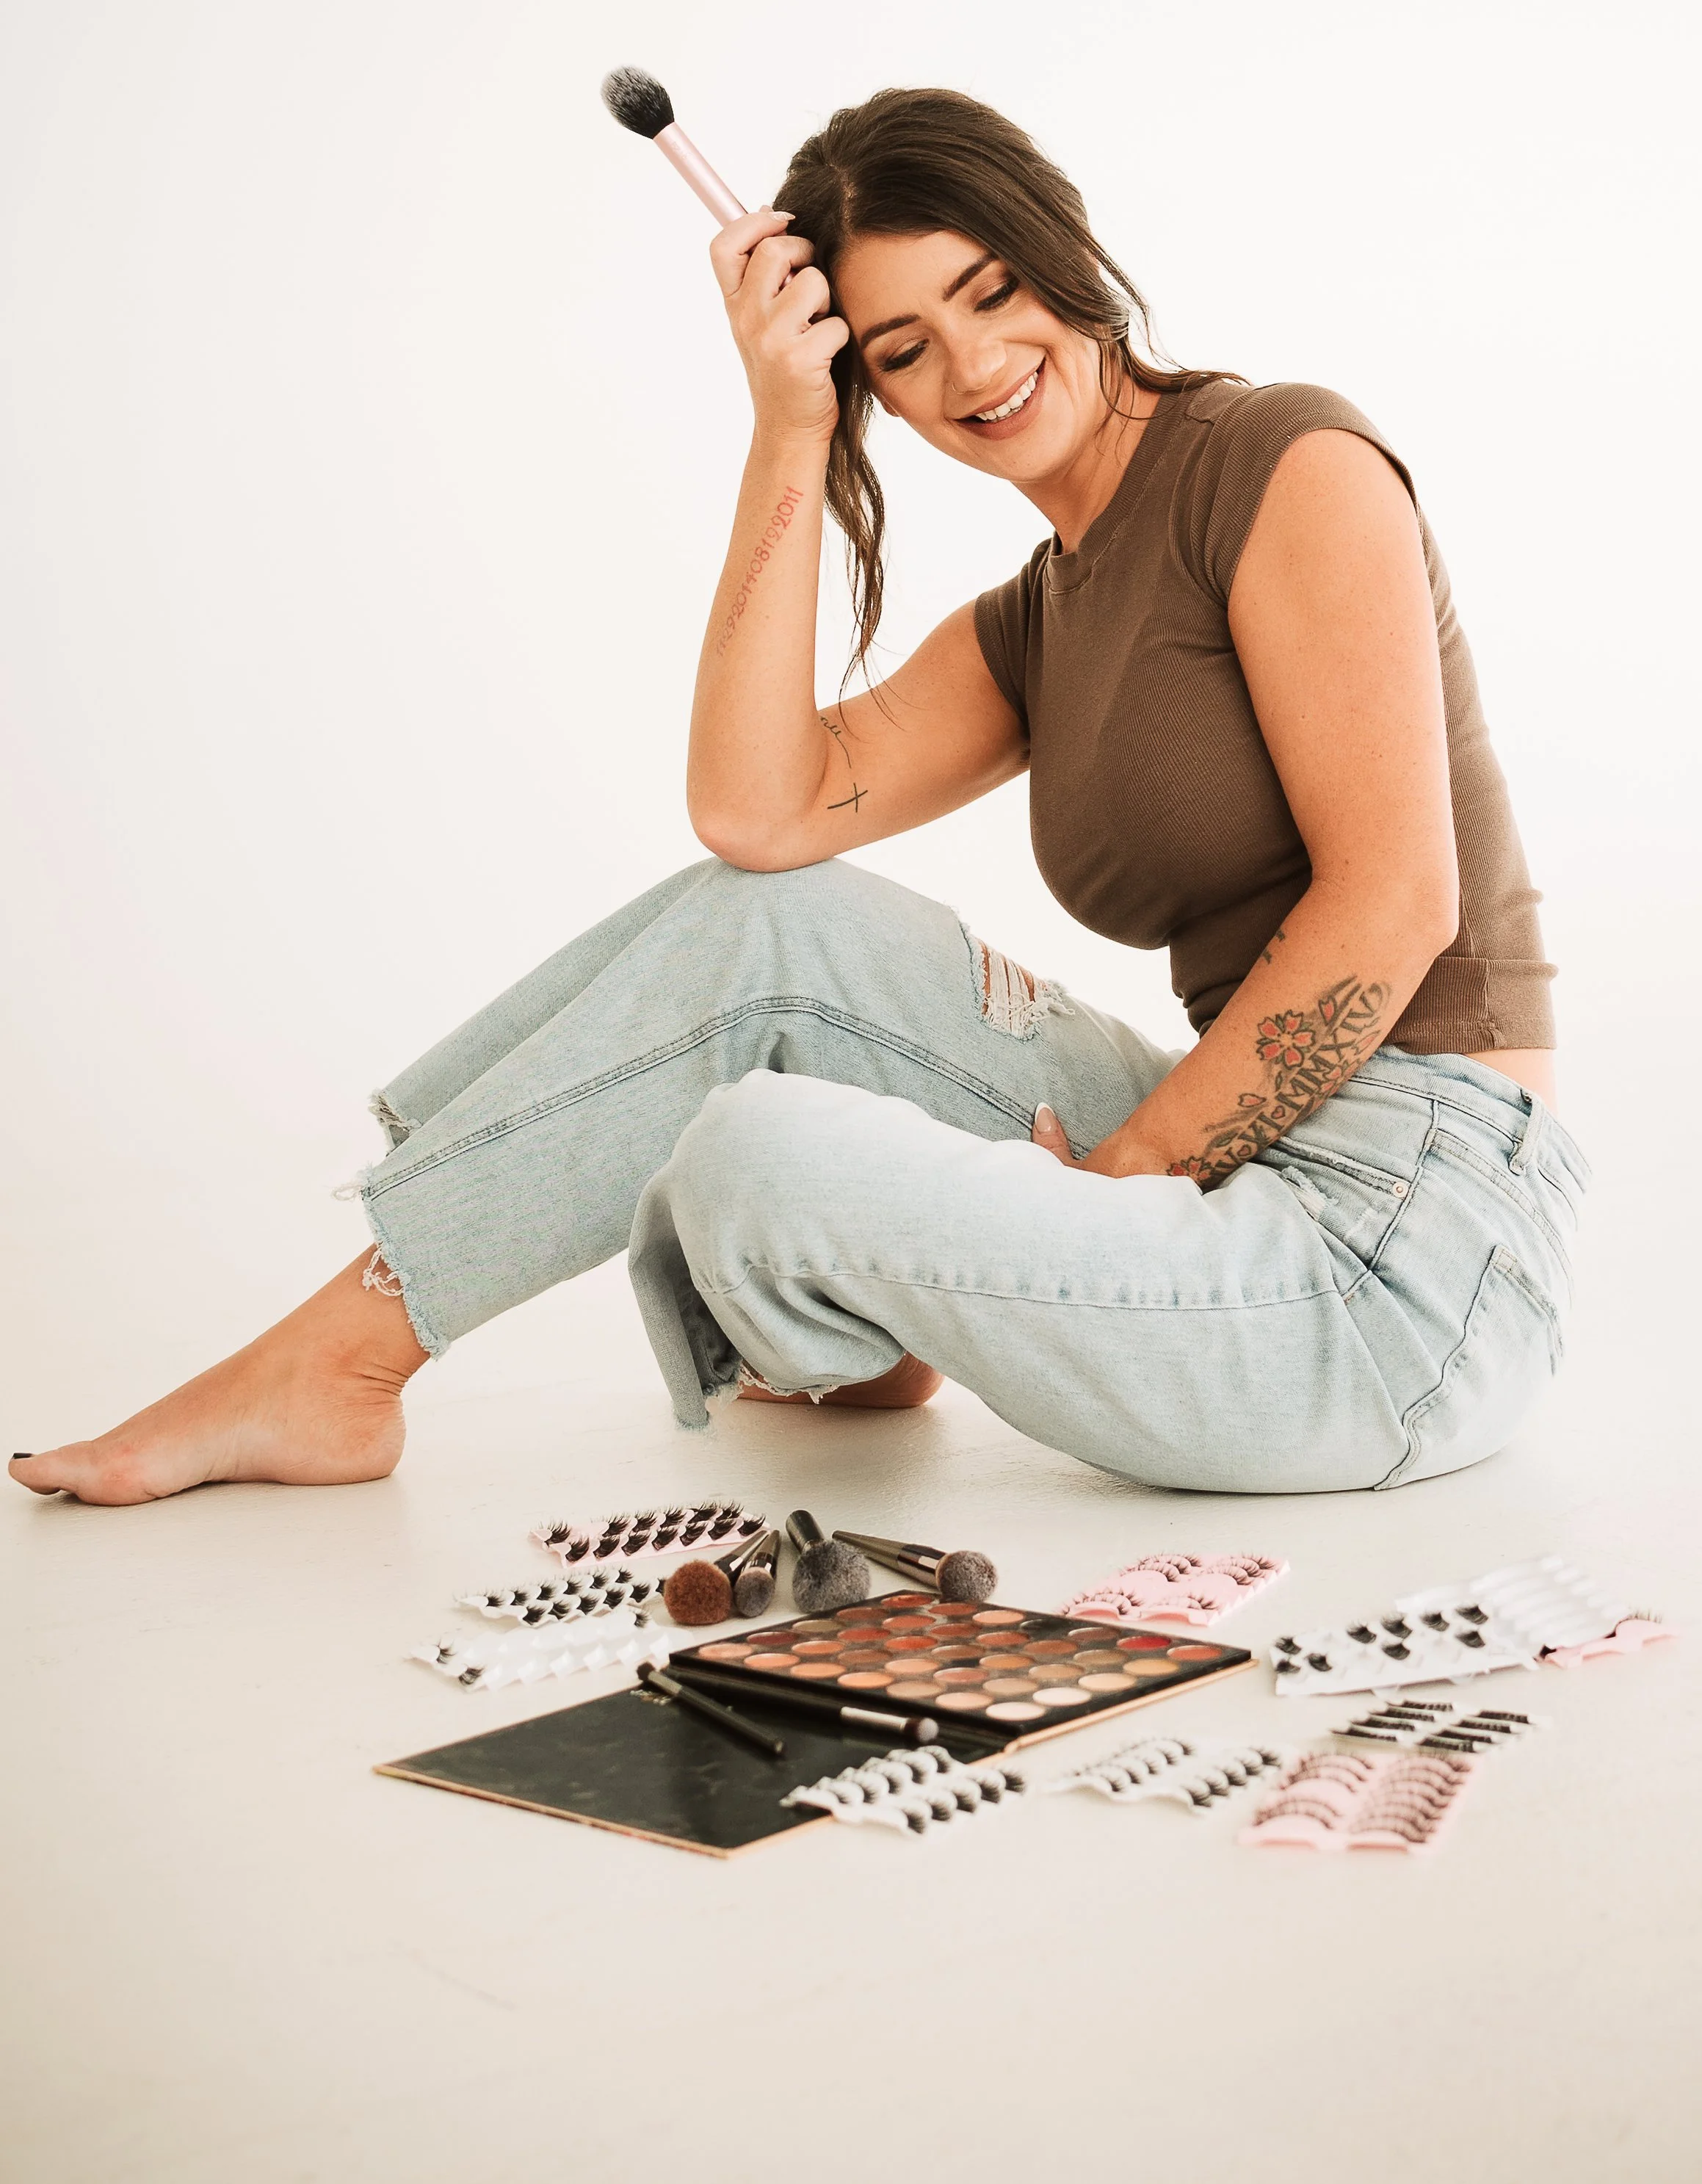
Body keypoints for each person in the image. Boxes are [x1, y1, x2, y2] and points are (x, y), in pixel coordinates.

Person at [10, 89, 1584, 1508]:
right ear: (873, 390)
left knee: (747, 1158)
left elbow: (1390, 916)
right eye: (898, 349)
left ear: (1065, 249)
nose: (968, 364)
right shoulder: (1039, 615)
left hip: (1408, 1260)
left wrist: (1103, 1189)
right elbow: (758, 819)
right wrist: (784, 429)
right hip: (1249, 1157)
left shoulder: (1278, 461)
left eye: (989, 289)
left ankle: (841, 1322)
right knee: (774, 926)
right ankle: (349, 1360)